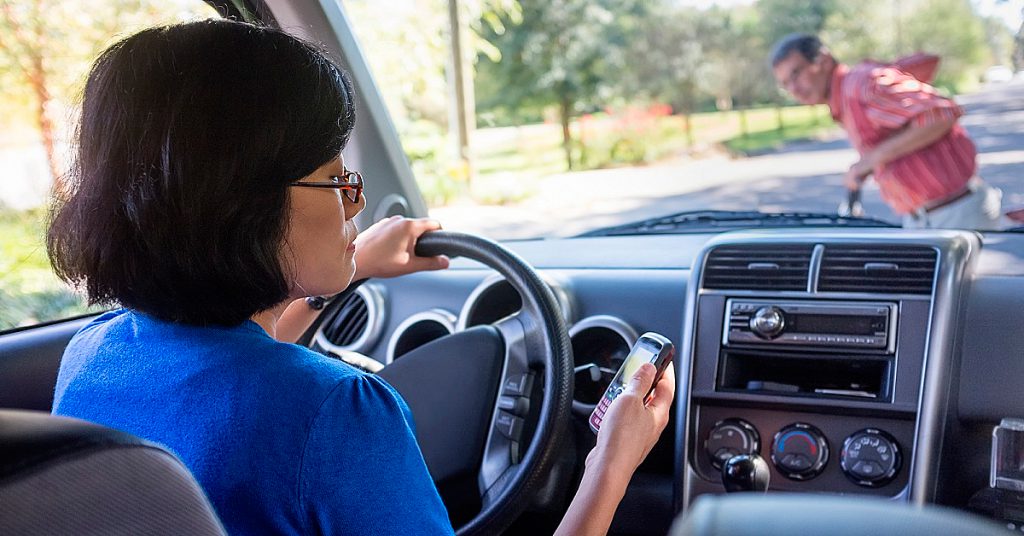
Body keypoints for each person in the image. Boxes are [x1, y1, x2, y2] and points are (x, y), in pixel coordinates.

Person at [46, 19, 675, 535]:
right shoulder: (338, 411)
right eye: (336, 179)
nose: (356, 204)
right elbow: (274, 404)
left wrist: (349, 270)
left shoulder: (91, 357)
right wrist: (611, 462)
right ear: (243, 204)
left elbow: (226, 383)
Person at [770, 33, 1005, 230]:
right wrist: (865, 166)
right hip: (924, 219)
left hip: (956, 215)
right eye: (784, 84)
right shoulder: (845, 99)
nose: (793, 89)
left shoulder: (863, 85)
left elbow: (941, 114)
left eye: (795, 74)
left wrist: (869, 161)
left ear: (822, 60)